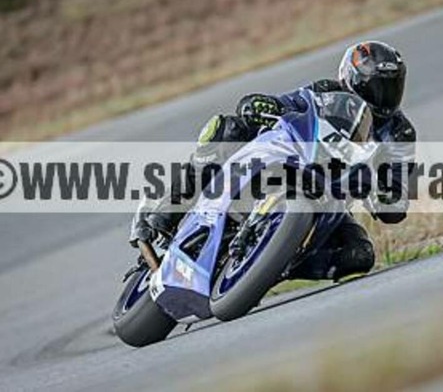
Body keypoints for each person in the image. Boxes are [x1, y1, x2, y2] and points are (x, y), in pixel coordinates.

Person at [130, 41, 416, 281]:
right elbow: (289, 104)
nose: (383, 96)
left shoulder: (400, 133)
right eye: (375, 86)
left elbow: (397, 199)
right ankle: (166, 211)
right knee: (226, 129)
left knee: (359, 255)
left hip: (330, 198)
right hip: (289, 163)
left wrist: (385, 194)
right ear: (351, 78)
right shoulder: (325, 91)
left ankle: (272, 266)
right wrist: (263, 105)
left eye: (391, 86)